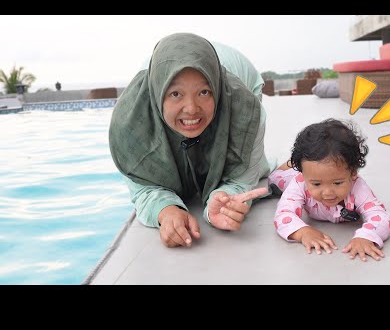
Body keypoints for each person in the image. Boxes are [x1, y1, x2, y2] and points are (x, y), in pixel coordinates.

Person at [109, 33, 272, 248]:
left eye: (204, 92)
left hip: (240, 72)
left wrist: (225, 197)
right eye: (176, 94)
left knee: (244, 161)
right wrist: (166, 211)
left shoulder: (245, 107)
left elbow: (242, 177)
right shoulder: (129, 124)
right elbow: (143, 186)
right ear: (158, 92)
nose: (192, 108)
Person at [268, 119, 390, 261]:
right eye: (316, 184)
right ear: (303, 174)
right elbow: (283, 214)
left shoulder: (357, 186)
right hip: (289, 178)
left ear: (353, 172)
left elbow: (380, 216)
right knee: (275, 179)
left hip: (312, 174)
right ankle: (287, 166)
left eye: (337, 183)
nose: (327, 192)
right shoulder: (299, 182)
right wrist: (302, 232)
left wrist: (366, 236)